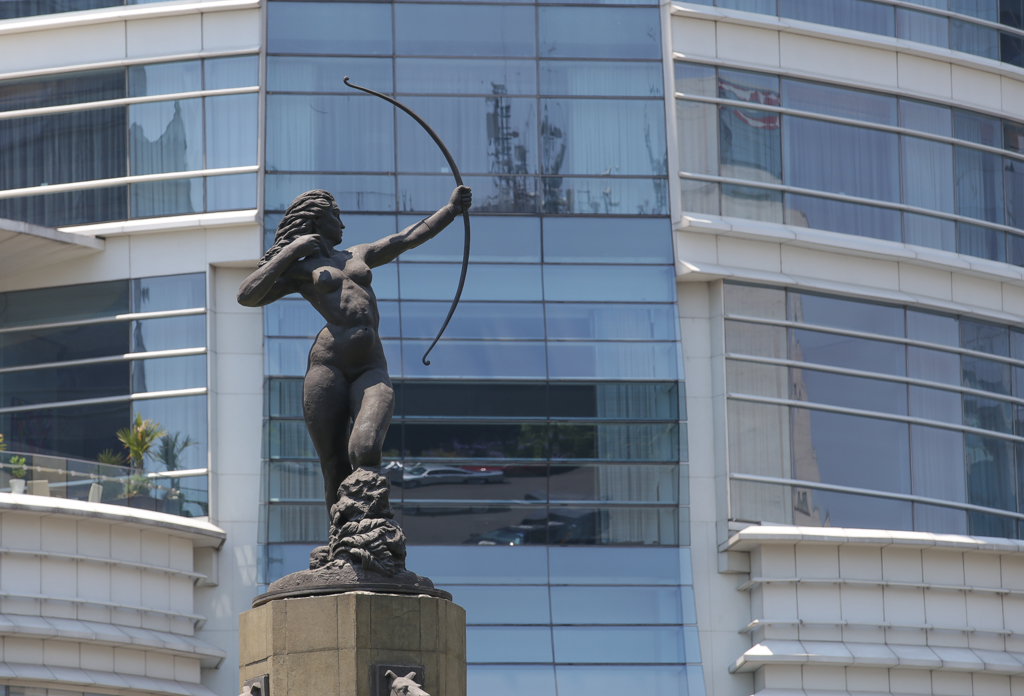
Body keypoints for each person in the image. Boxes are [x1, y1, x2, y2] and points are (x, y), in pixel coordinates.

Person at [238, 185, 472, 511]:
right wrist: (292, 251)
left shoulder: (356, 254)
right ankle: (340, 540)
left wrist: (450, 209)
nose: (343, 225)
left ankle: (368, 521)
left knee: (365, 448)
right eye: (337, 216)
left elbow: (406, 238)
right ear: (317, 220)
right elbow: (247, 295)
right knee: (334, 466)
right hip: (327, 366)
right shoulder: (299, 270)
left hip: (370, 365)